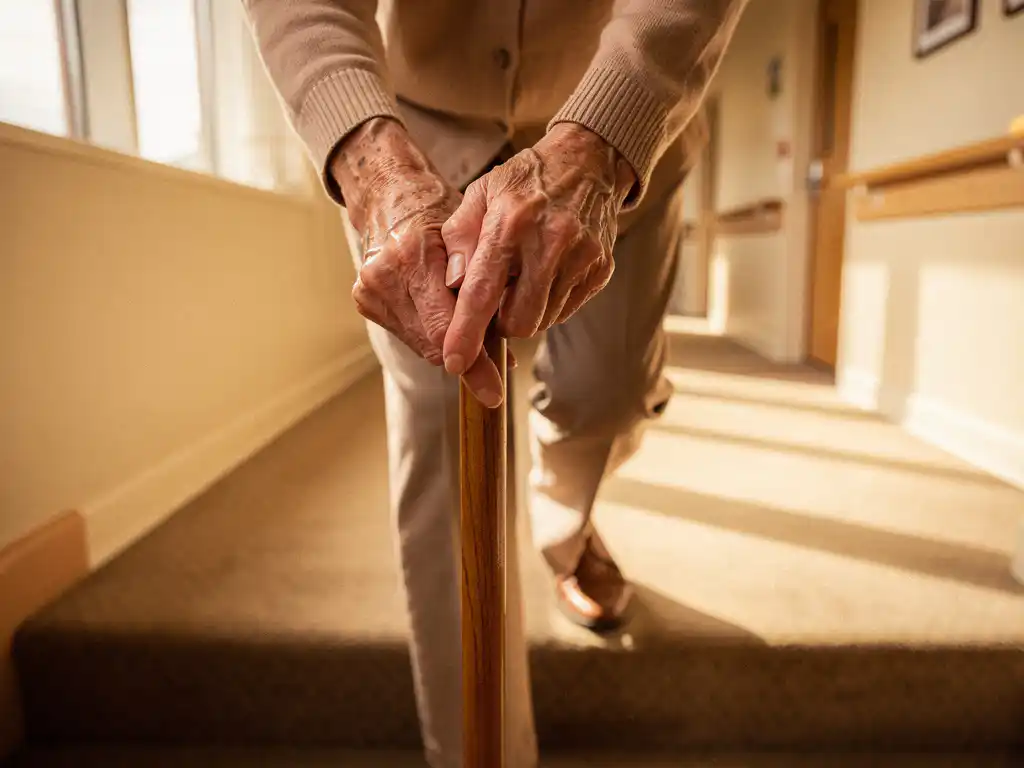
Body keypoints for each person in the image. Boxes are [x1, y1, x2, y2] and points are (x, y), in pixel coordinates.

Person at [242, 2, 747, 765]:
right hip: (416, 134)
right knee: (445, 410)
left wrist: (606, 137)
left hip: (627, 114)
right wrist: (369, 159)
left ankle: (564, 523)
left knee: (604, 391)